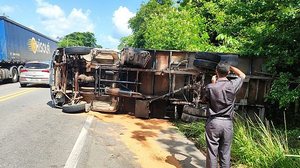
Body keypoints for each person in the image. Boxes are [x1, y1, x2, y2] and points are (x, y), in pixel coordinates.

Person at [204, 62, 246, 168]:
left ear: (216, 72)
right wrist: (230, 67)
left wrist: (214, 83)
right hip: (227, 123)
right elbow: (242, 75)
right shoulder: (232, 85)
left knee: (212, 153)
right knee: (225, 153)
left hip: (213, 122)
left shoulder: (210, 87)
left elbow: (204, 100)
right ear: (228, 72)